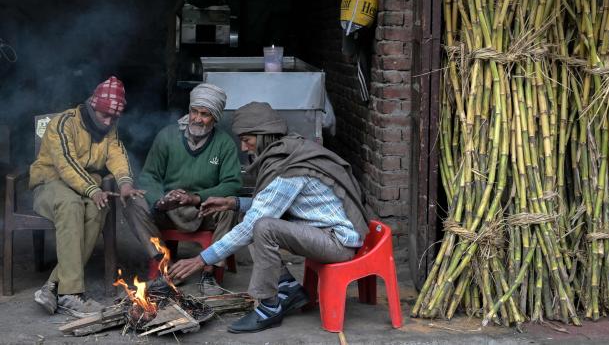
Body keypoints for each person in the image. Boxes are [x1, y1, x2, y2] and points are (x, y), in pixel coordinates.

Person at [169, 101, 370, 333]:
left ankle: (269, 307)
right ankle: (287, 288)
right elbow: (272, 205)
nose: (244, 147)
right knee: (258, 219)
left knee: (262, 227)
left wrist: (201, 259)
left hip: (336, 242)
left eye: (247, 140)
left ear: (264, 135)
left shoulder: (288, 170)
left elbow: (256, 222)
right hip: (322, 232)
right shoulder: (288, 149)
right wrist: (232, 203)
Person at [30, 76, 146, 317]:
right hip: (51, 183)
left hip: (86, 188)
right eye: (105, 116)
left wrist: (125, 184)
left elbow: (117, 155)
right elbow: (65, 164)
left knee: (97, 208)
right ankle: (71, 294)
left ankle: (53, 286)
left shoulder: (110, 127)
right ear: (92, 106)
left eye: (114, 117)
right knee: (71, 204)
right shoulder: (63, 123)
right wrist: (93, 190)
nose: (108, 121)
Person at [123, 83, 242, 295]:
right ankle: (162, 264)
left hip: (204, 209)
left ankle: (210, 272)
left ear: (215, 117)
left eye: (205, 114)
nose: (197, 118)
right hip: (168, 209)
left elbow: (232, 183)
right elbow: (149, 175)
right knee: (132, 201)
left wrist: (196, 198)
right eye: (194, 111)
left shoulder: (224, 144)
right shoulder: (167, 136)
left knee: (230, 207)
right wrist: (160, 199)